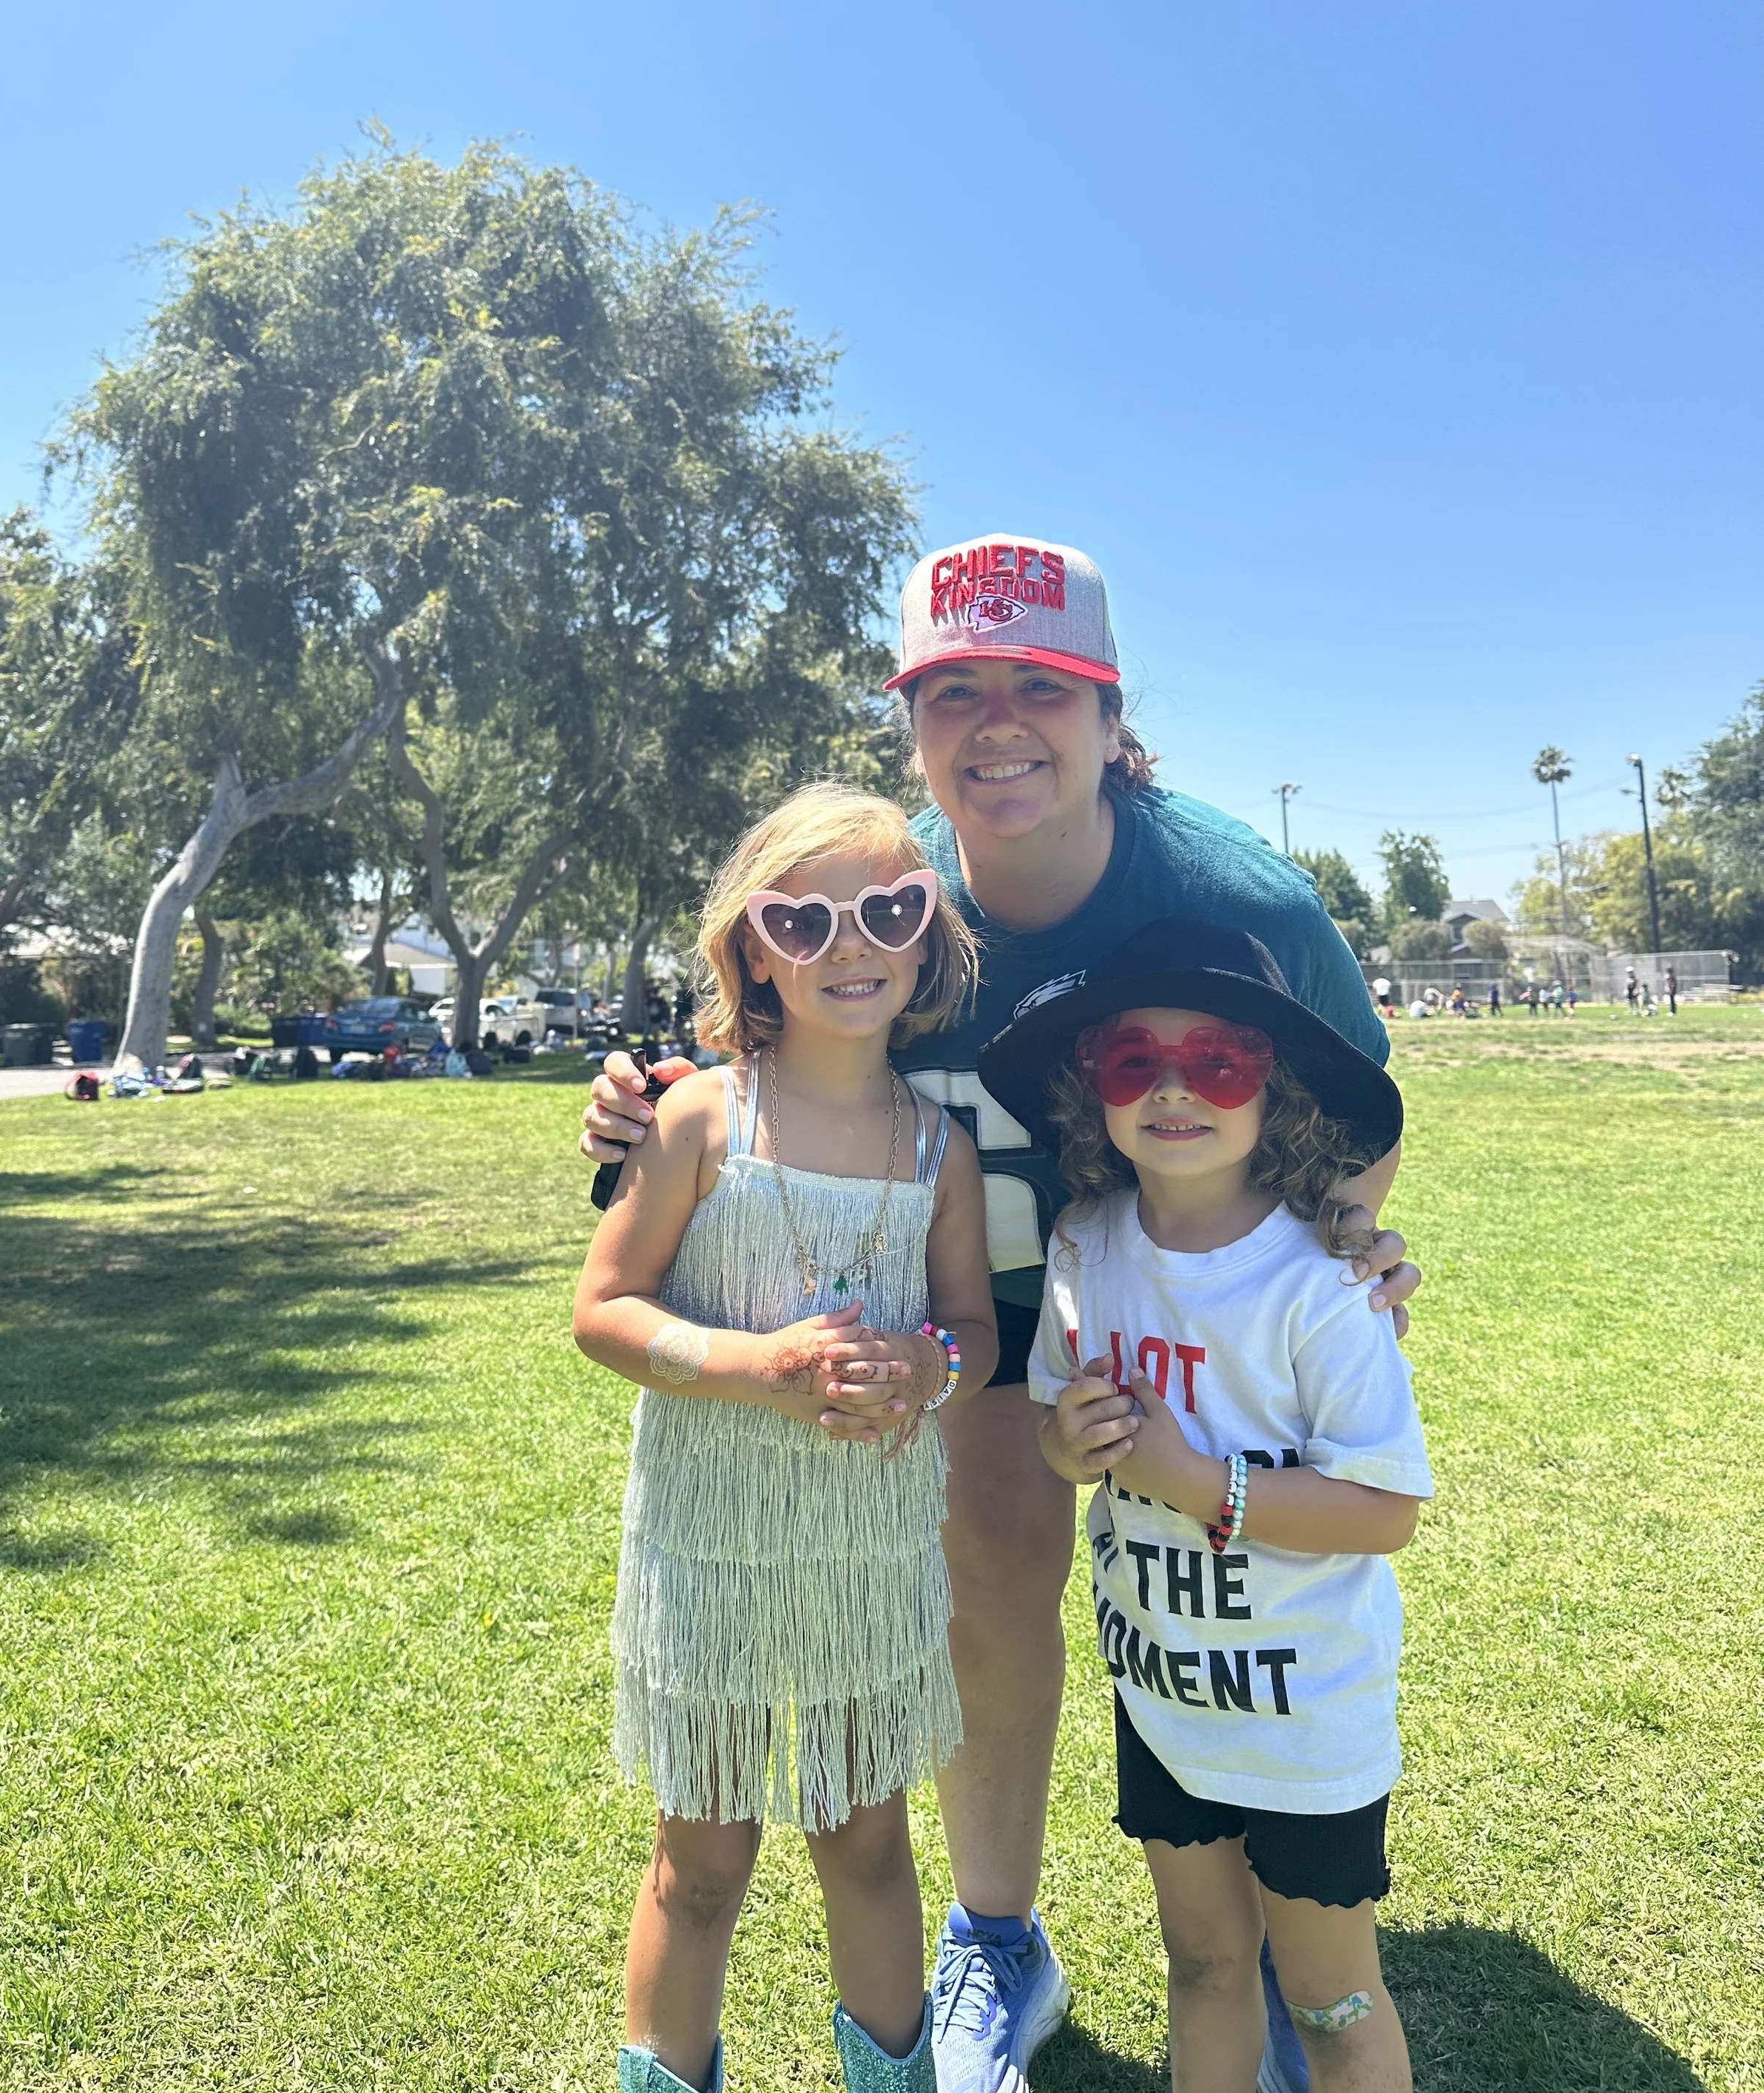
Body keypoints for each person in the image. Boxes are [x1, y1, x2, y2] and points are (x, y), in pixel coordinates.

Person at [582, 535, 1422, 2092]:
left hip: (1162, 1273)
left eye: (1041, 683)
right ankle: (995, 1939)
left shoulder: (1236, 893)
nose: (998, 722)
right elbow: (743, 1041)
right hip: (948, 1300)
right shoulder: (878, 888)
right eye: (952, 688)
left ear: (1110, 714)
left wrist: (1337, 1244)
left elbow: (1355, 1101)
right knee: (990, 1588)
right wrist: (635, 1101)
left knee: (1217, 1577)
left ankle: (1265, 1940)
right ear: (909, 719)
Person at [574, 785, 997, 2092]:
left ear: (928, 936)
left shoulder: (943, 1152)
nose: (848, 945)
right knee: (702, 1857)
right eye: (801, 920)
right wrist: (758, 1365)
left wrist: (925, 1372)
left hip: (867, 1551)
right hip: (709, 1545)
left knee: (867, 1838)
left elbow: (976, 1334)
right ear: (750, 945)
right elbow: (599, 1312)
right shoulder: (700, 1119)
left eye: (887, 910)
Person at [978, 919, 1432, 2093]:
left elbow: (1385, 1514)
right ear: (1094, 1088)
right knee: (1203, 1963)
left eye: (1219, 1061)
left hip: (1306, 1713)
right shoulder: (1085, 1244)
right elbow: (1053, 1424)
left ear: (1271, 1088)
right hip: (1164, 1690)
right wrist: (1070, 1447)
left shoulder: (1327, 1282)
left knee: (1331, 2000)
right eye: (1135, 1060)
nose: (1175, 1090)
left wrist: (1193, 1485)